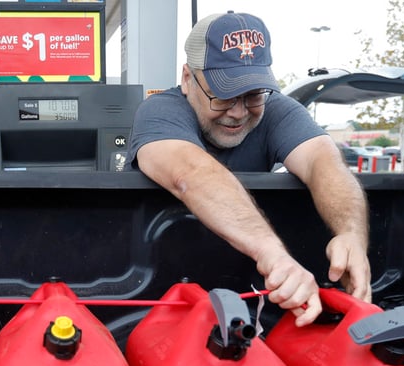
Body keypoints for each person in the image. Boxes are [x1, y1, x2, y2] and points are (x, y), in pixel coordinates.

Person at [125, 11, 371, 326]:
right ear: (188, 79)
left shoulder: (276, 110)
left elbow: (323, 160)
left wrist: (350, 234)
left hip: (246, 298)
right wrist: (273, 254)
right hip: (161, 300)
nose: (239, 112)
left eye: (253, 94)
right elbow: (190, 173)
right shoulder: (160, 110)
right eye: (224, 96)